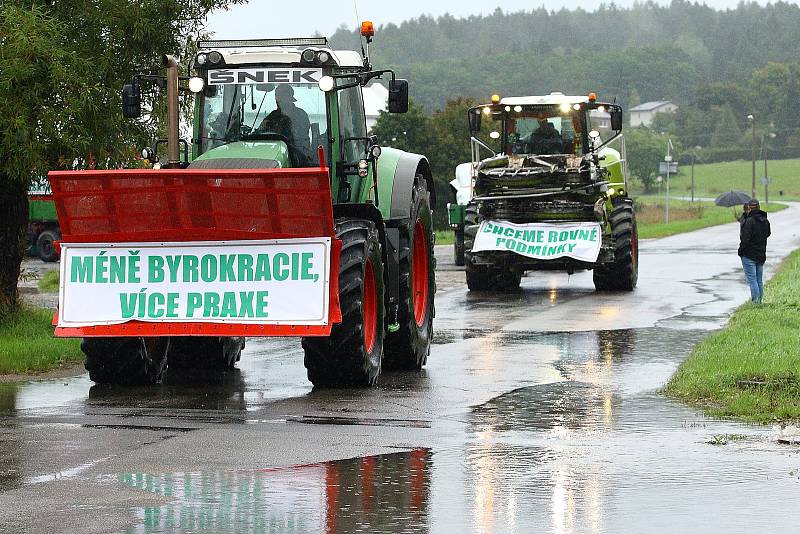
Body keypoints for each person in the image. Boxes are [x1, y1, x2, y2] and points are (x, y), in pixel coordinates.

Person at [258, 85, 312, 164]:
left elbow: (301, 137)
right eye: (277, 96)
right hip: (274, 153)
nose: (278, 99)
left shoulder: (301, 115)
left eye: (282, 96)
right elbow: (260, 133)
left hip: (297, 153)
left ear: (290, 98)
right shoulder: (272, 116)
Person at [738, 199, 771, 304]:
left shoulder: (749, 221)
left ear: (749, 208)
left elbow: (745, 239)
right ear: (759, 207)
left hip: (749, 255)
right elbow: (768, 233)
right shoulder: (765, 220)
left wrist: (740, 251)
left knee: (752, 280)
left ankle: (756, 303)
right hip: (761, 254)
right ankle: (759, 302)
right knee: (759, 280)